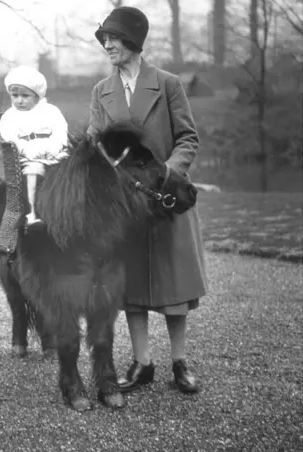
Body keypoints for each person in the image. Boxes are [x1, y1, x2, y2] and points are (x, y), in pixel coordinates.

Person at [87, 7, 208, 394]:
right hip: (127, 207)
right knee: (132, 287)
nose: (108, 44)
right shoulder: (100, 92)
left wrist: (170, 171)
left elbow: (188, 138)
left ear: (133, 42)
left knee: (175, 286)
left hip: (166, 200)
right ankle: (142, 363)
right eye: (104, 38)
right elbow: (95, 143)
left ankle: (179, 362)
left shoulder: (168, 83)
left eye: (114, 38)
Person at [0, 66, 69, 226]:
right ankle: (32, 212)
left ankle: (67, 211)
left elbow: (60, 133)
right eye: (14, 95)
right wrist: (30, 151)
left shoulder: (51, 112)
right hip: (26, 159)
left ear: (37, 96)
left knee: (72, 169)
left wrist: (53, 149)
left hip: (54, 154)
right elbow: (11, 141)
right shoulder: (10, 117)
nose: (19, 100)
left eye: (25, 96)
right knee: (34, 170)